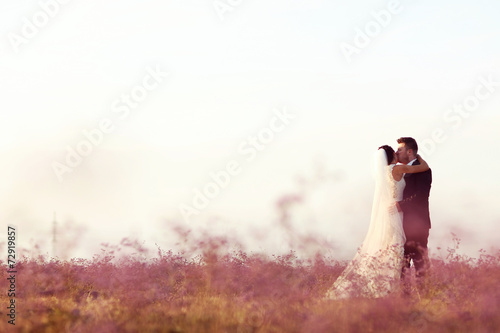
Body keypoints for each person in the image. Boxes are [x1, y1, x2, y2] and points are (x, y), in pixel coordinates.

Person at [325, 145, 429, 299]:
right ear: (391, 155)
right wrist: (419, 157)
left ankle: (391, 288)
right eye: (395, 152)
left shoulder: (384, 173)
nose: (397, 153)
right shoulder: (397, 169)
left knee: (390, 248)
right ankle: (395, 289)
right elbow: (423, 168)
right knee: (397, 249)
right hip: (397, 213)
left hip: (390, 213)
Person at [395, 137, 432, 286]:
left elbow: (421, 195)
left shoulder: (423, 170)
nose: (397, 152)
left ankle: (424, 295)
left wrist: (401, 205)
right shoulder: (402, 169)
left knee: (419, 260)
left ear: (410, 151)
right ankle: (403, 295)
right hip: (401, 223)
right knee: (402, 262)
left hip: (417, 223)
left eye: (400, 149)